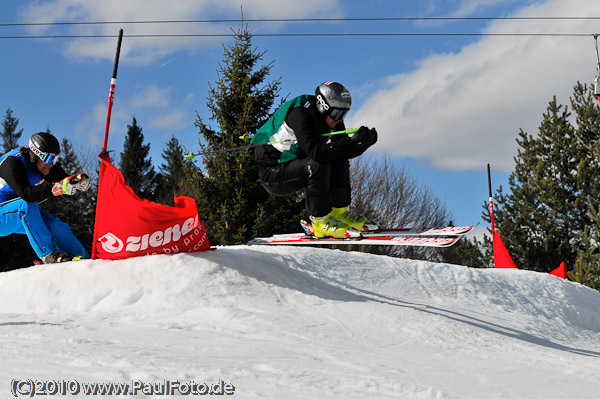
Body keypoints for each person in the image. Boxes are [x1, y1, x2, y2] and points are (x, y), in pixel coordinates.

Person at [252, 81, 378, 238]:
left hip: (295, 165)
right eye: (337, 114)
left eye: (343, 114)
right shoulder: (300, 114)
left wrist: (362, 143)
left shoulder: (332, 120)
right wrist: (351, 142)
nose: (340, 120)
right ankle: (318, 221)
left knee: (338, 160)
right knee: (317, 163)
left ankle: (339, 212)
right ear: (322, 107)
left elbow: (341, 151)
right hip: (273, 173)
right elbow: (316, 153)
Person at [0, 132, 91, 263]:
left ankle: (85, 260)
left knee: (56, 225)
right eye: (48, 159)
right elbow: (27, 194)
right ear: (33, 154)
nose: (51, 164)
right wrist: (54, 188)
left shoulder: (45, 165)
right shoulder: (12, 163)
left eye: (55, 159)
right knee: (25, 206)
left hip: (12, 212)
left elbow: (63, 180)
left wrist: (77, 181)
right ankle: (48, 255)